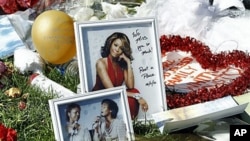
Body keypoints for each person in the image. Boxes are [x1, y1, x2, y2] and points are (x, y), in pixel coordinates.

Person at [92, 32, 148, 119]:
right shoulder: (101, 63)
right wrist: (137, 96)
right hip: (101, 98)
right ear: (110, 44)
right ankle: (125, 121)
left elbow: (130, 86)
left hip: (114, 96)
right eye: (115, 45)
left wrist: (128, 63)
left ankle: (130, 122)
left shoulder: (121, 63)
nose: (117, 49)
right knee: (134, 94)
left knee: (134, 90)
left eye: (121, 48)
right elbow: (111, 91)